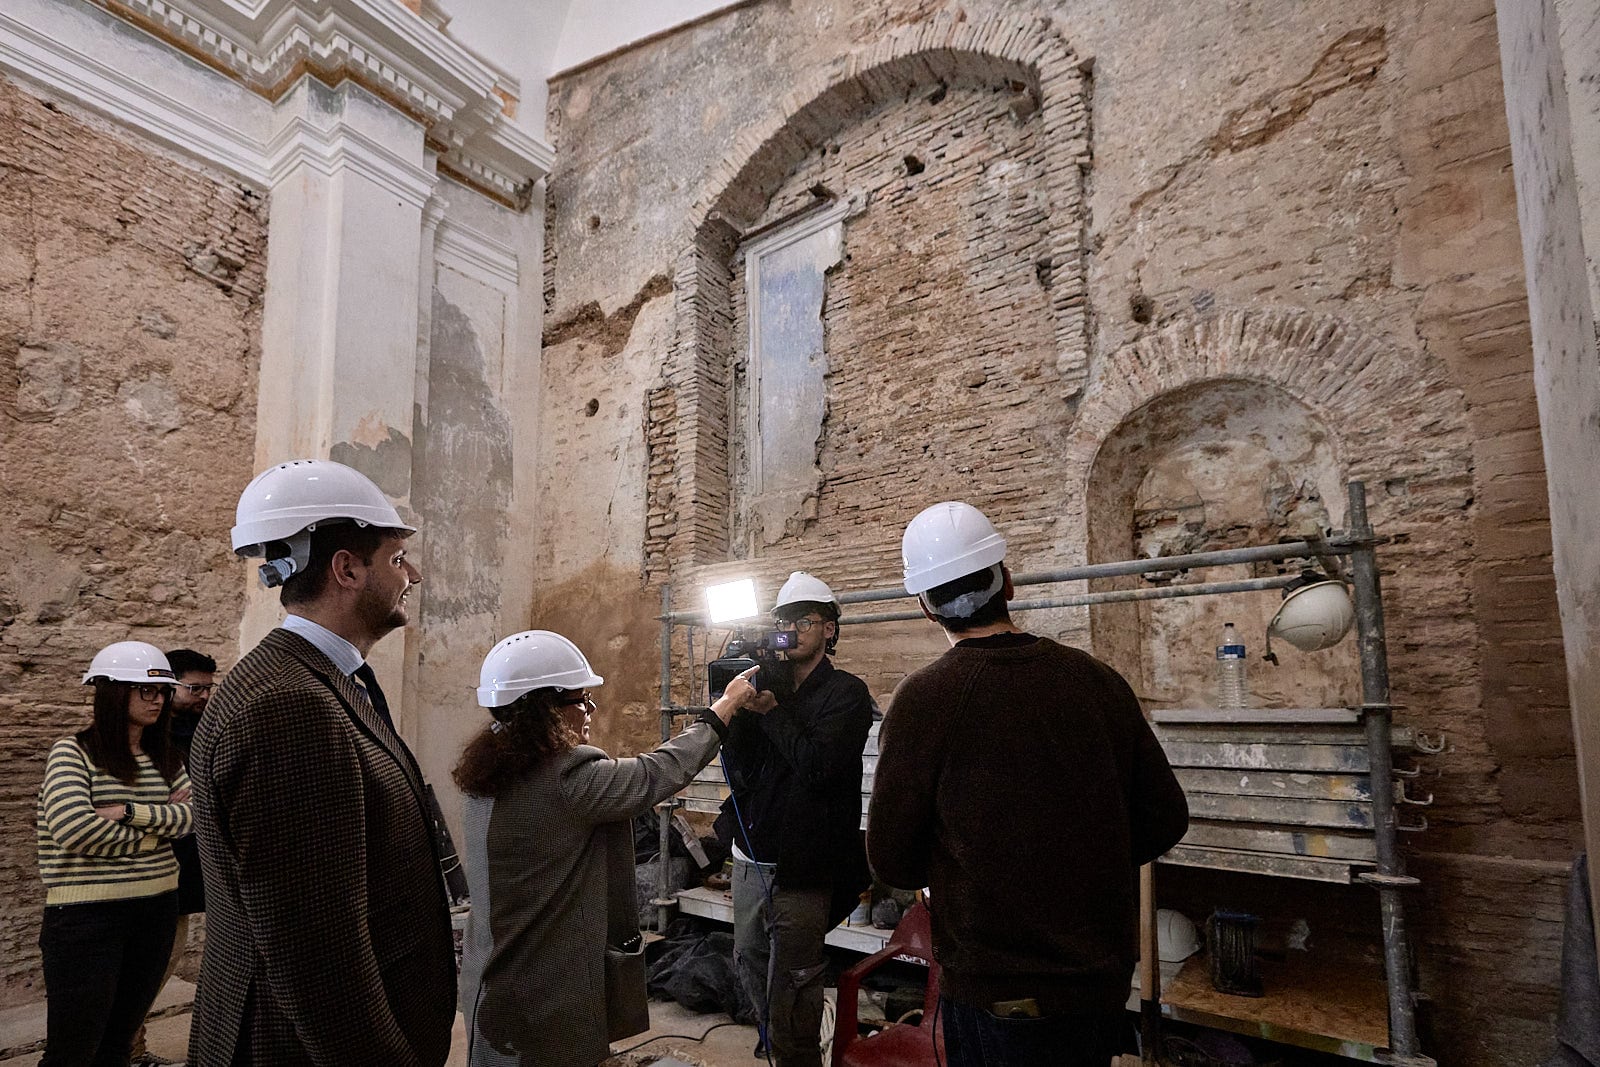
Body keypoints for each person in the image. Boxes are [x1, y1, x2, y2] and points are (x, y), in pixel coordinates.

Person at [867, 501, 1190, 1067]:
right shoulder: (1097, 680)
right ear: (1008, 583)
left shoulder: (924, 699)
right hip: (1099, 982)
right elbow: (1165, 819)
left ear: (926, 607)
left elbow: (893, 860)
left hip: (996, 988)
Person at [188, 459, 454, 1067]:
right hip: (299, 1047)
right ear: (347, 569)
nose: (412, 575)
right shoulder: (289, 706)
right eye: (397, 559)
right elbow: (315, 950)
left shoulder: (315, 680)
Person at [455, 631, 765, 1067]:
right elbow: (657, 772)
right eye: (582, 700)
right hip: (541, 986)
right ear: (546, 710)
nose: (591, 710)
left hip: (489, 973)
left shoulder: (488, 770)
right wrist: (723, 709)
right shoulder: (568, 777)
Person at [715, 572, 874, 1067]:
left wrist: (771, 713)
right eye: (784, 622)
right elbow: (740, 768)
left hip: (805, 865)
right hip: (751, 854)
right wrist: (736, 709)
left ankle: (795, 1054)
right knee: (749, 960)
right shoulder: (765, 683)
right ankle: (774, 1039)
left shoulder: (847, 693)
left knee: (795, 979)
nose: (792, 631)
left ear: (829, 629)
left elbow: (819, 768)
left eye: (804, 621)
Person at [35, 641, 193, 1067]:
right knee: (73, 1049)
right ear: (112, 692)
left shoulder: (167, 758)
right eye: (145, 690)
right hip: (87, 915)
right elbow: (74, 828)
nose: (157, 700)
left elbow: (192, 818)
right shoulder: (73, 753)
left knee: (118, 1044)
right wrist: (156, 834)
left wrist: (127, 811)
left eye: (162, 692)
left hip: (157, 906)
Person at [128, 648, 215, 1067]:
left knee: (162, 959)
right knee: (146, 965)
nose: (204, 697)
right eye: (195, 688)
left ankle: (131, 1048)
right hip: (149, 867)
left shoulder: (205, 728)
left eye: (208, 688)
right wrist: (169, 808)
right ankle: (127, 1049)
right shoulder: (145, 736)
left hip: (190, 865)